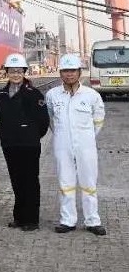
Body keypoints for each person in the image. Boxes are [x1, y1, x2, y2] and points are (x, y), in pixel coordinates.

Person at [46, 53, 106, 236]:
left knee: (89, 183)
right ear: (60, 73)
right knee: (66, 183)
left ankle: (92, 221)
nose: (69, 74)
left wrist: (86, 137)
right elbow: (50, 119)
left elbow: (98, 120)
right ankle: (67, 220)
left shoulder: (91, 95)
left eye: (73, 70)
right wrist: (63, 135)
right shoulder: (52, 95)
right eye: (65, 70)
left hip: (86, 146)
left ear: (79, 72)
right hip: (62, 145)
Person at [0, 53, 50, 232]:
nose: (16, 74)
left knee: (30, 181)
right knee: (16, 180)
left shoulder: (34, 94)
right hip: (10, 144)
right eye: (12, 71)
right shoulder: (2, 94)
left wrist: (31, 135)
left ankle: (31, 220)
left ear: (24, 72)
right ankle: (19, 217)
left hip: (29, 145)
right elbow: (1, 117)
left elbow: (43, 122)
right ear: (7, 72)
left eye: (19, 71)